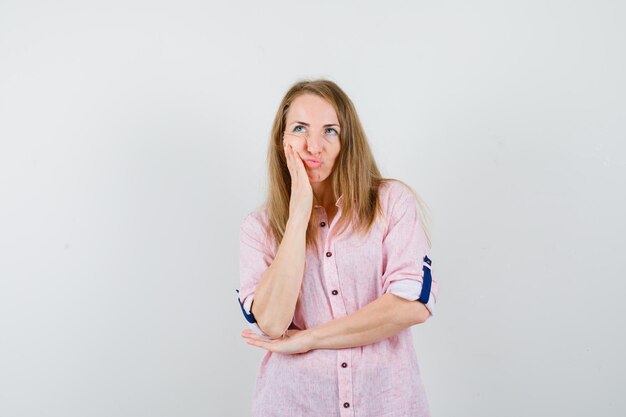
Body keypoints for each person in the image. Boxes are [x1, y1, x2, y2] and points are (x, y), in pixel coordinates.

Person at [236, 79, 439, 417]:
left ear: (348, 141)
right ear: (281, 139)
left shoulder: (391, 204)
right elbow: (271, 323)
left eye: (330, 131)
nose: (314, 146)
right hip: (294, 404)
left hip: (387, 403)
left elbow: (412, 304)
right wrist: (299, 213)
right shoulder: (258, 229)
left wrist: (311, 338)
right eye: (300, 128)